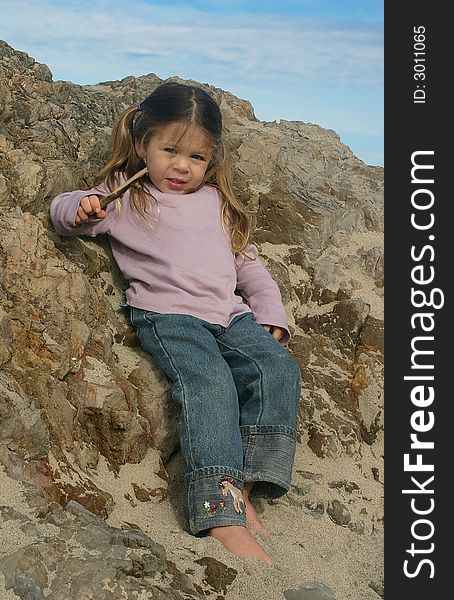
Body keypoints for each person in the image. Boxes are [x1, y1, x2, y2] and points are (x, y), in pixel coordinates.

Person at [50, 81, 301, 563]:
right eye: (169, 150)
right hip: (170, 316)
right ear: (143, 142)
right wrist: (80, 207)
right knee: (210, 386)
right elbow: (67, 213)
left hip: (230, 315)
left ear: (213, 160)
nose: (182, 167)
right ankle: (218, 513)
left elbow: (247, 265)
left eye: (197, 158)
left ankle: (241, 488)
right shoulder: (127, 197)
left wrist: (270, 312)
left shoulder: (217, 204)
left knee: (277, 370)